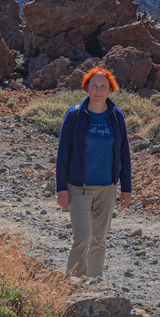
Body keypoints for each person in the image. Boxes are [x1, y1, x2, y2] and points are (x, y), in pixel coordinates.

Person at [55, 66, 132, 278]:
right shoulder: (75, 115)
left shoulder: (116, 116)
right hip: (78, 187)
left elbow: (124, 153)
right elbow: (63, 154)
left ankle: (95, 286)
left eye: (103, 86)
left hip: (107, 188)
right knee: (83, 238)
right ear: (87, 88)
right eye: (94, 86)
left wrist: (126, 188)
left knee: (99, 240)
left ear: (110, 90)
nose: (98, 91)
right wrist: (62, 189)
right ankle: (72, 285)